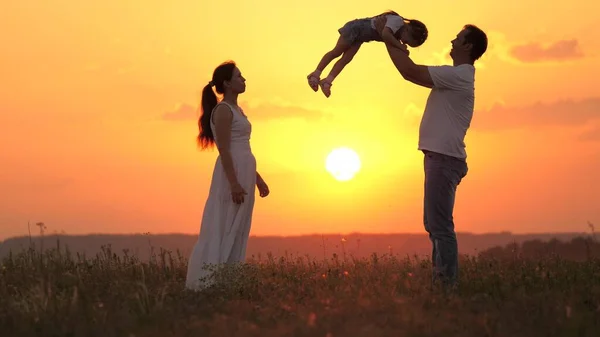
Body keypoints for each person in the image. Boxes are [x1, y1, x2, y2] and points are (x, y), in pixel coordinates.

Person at [375, 17, 488, 289]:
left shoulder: (459, 75)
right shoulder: (455, 77)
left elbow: (409, 72)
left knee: (440, 227)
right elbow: (411, 70)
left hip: (444, 159)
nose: (452, 41)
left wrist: (386, 35)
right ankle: (441, 284)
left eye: (457, 39)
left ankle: (446, 287)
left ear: (468, 46)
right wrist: (392, 40)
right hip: (440, 158)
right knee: (434, 224)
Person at [185, 60, 270, 291]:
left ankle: (228, 280)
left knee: (239, 225)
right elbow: (224, 149)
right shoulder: (223, 110)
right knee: (224, 223)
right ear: (227, 83)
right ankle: (209, 281)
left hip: (244, 171)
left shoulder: (237, 110)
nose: (244, 80)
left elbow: (243, 149)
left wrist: (257, 178)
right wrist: (233, 183)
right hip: (231, 174)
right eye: (239, 76)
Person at [307, 11, 428, 98]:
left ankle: (327, 81)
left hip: (361, 37)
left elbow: (389, 39)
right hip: (356, 28)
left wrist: (400, 47)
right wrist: (400, 46)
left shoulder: (398, 32)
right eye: (406, 41)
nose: (403, 42)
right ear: (408, 30)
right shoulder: (397, 22)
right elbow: (385, 34)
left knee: (346, 59)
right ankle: (315, 74)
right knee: (337, 52)